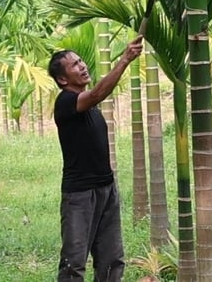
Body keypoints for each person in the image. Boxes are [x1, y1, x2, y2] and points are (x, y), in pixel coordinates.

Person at [48, 37, 144, 282]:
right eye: (74, 65)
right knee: (73, 263)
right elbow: (99, 93)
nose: (82, 66)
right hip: (80, 195)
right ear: (63, 79)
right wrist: (125, 59)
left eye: (81, 61)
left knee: (112, 260)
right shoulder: (66, 102)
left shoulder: (89, 107)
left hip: (106, 189)